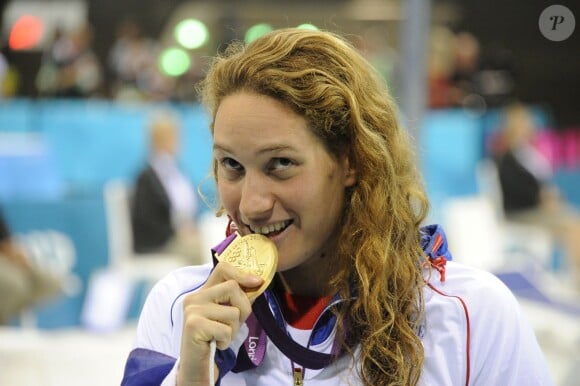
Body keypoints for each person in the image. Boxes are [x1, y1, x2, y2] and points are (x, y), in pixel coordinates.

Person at [121, 29, 553, 385]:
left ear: (350, 161)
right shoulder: (182, 310)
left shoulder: (468, 315)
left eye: (281, 165)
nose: (251, 204)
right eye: (231, 165)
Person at [495, 102, 580, 280]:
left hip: (539, 208)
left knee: (573, 220)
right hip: (520, 212)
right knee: (572, 225)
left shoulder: (529, 153)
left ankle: (572, 275)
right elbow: (514, 190)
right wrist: (541, 198)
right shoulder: (506, 157)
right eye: (521, 122)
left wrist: (550, 198)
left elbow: (544, 183)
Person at [130, 110, 202, 264]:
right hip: (158, 244)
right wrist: (176, 232)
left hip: (182, 235)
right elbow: (146, 222)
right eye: (170, 136)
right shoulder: (146, 178)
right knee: (203, 251)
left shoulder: (176, 170)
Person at [0, 208, 61, 324]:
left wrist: (15, 253)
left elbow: (6, 240)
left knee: (49, 281)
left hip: (4, 254)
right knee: (13, 284)